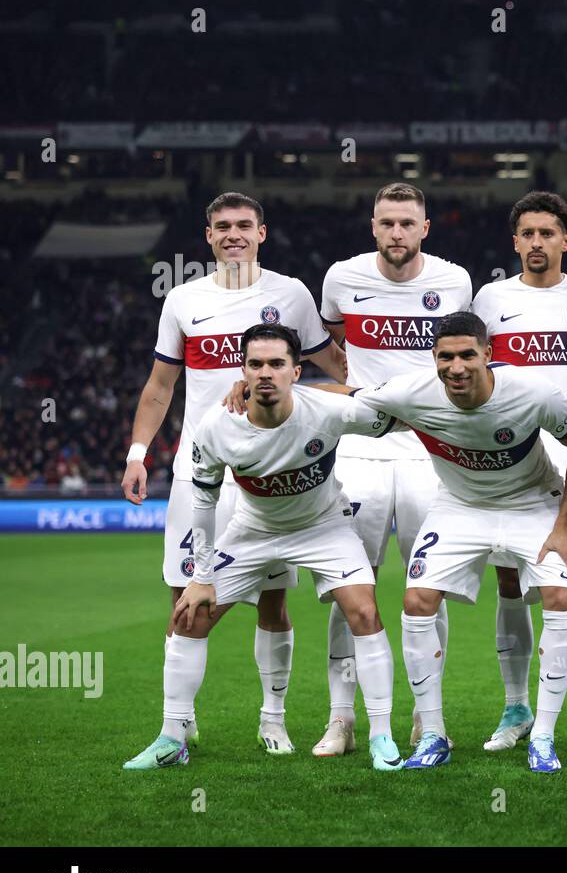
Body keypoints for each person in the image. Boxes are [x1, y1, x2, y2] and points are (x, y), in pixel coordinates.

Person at [121, 192, 346, 755]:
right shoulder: (182, 299)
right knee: (185, 596)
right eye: (222, 226)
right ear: (209, 236)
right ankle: (180, 725)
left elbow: (335, 365)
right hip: (197, 469)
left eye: (244, 225)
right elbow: (159, 387)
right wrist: (136, 453)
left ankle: (273, 718)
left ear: (261, 233)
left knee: (272, 601)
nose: (233, 235)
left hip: (266, 473)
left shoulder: (291, 294)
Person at [123, 325, 404, 772]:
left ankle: (382, 737)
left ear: (296, 371)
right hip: (252, 530)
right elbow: (203, 500)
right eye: (256, 364)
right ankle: (172, 737)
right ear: (243, 372)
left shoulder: (329, 410)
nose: (265, 373)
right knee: (189, 617)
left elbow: (392, 410)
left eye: (276, 364)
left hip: (323, 526)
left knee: (365, 612)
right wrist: (201, 577)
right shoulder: (217, 427)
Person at [346, 312, 567, 773]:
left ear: (488, 355)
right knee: (417, 599)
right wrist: (276, 391)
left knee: (561, 596)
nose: (456, 367)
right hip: (459, 507)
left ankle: (542, 736)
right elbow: (344, 399)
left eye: (466, 356)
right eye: (445, 357)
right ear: (433, 358)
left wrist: (565, 526)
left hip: (532, 503)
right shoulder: (410, 393)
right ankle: (434, 735)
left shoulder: (532, 392)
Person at [314, 182, 472, 756]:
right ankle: (342, 718)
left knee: (430, 582)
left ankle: (428, 719)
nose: (397, 233)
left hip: (433, 449)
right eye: (387, 223)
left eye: (407, 223)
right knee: (349, 584)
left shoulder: (454, 282)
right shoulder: (342, 277)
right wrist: (360, 389)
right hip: (359, 447)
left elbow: (463, 357)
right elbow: (333, 347)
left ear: (425, 228)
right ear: (373, 226)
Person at [469, 191, 567, 751]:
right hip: (515, 454)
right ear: (515, 241)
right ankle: (516, 706)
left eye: (548, 233)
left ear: (566, 241)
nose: (536, 243)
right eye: (527, 233)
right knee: (509, 579)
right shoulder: (491, 298)